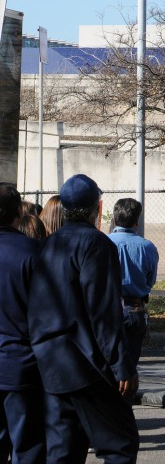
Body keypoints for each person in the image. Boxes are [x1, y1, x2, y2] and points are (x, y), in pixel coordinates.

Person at [28, 174, 139, 463]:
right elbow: (103, 311)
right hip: (86, 363)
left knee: (64, 450)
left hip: (51, 360)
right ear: (97, 208)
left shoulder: (49, 245)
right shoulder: (97, 244)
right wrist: (121, 365)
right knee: (120, 444)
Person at [0, 183, 45, 463]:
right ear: (19, 213)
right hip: (21, 363)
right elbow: (48, 314)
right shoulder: (32, 252)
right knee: (27, 447)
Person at [108, 197, 160, 370]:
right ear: (136, 222)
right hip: (135, 308)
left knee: (107, 366)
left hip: (108, 308)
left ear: (114, 219)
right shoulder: (148, 247)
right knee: (130, 366)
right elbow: (150, 281)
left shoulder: (103, 242)